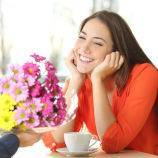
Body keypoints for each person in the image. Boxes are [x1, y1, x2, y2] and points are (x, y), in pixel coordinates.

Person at [34, 10, 158, 154]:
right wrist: (75, 81)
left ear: (116, 52)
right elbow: (57, 140)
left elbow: (112, 143)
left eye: (98, 43)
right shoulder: (81, 80)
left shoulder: (145, 75)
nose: (84, 48)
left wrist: (97, 79)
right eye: (82, 37)